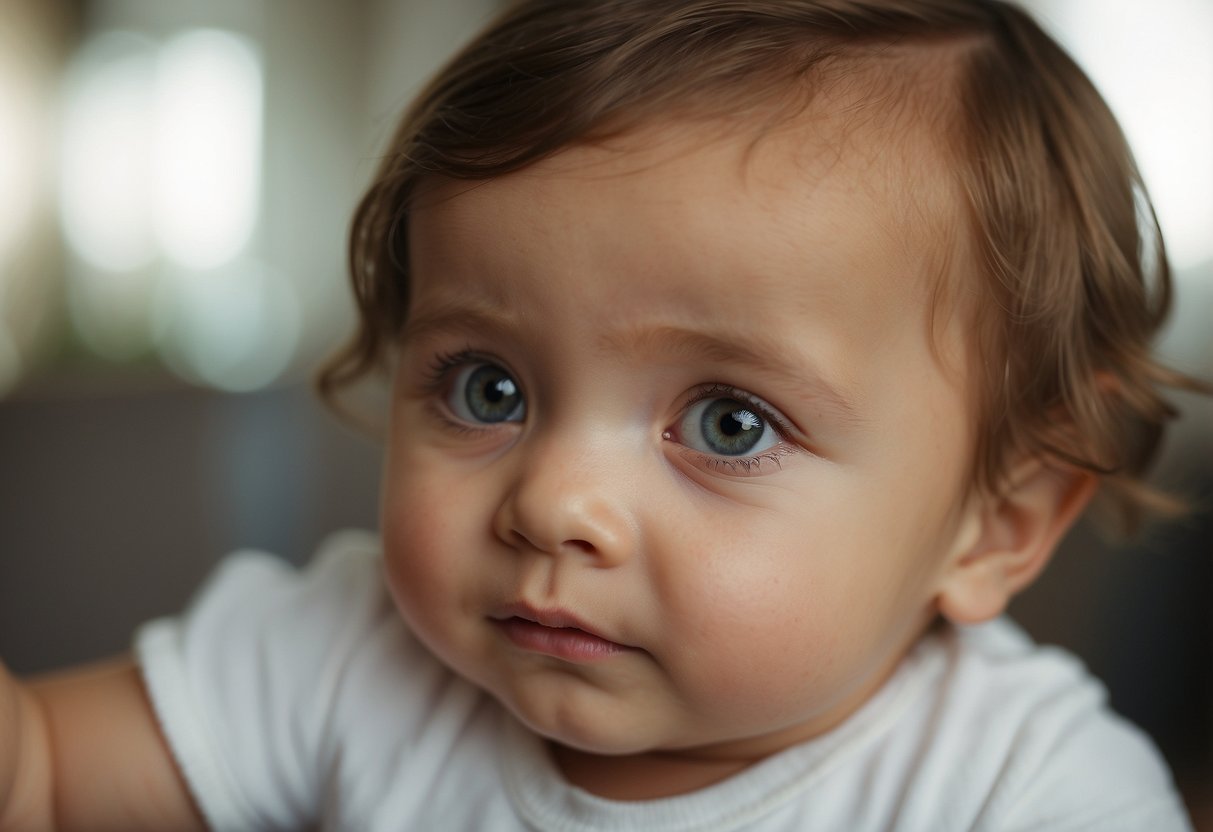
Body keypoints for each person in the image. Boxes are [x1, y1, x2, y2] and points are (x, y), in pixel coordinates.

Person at [1, 1, 1206, 829]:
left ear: (998, 519)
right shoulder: (341, 654)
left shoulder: (1025, 788)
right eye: (491, 389)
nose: (551, 503)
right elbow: (42, 774)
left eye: (730, 422)